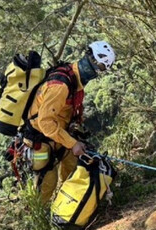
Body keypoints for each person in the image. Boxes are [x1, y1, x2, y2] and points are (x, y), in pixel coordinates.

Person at [24, 41, 116, 204]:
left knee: (73, 168)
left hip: (59, 134)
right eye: (100, 68)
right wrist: (72, 143)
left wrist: (74, 132)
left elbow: (68, 112)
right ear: (92, 60)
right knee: (47, 182)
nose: (97, 73)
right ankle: (39, 218)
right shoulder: (61, 86)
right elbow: (45, 122)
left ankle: (64, 209)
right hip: (41, 137)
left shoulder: (75, 81)